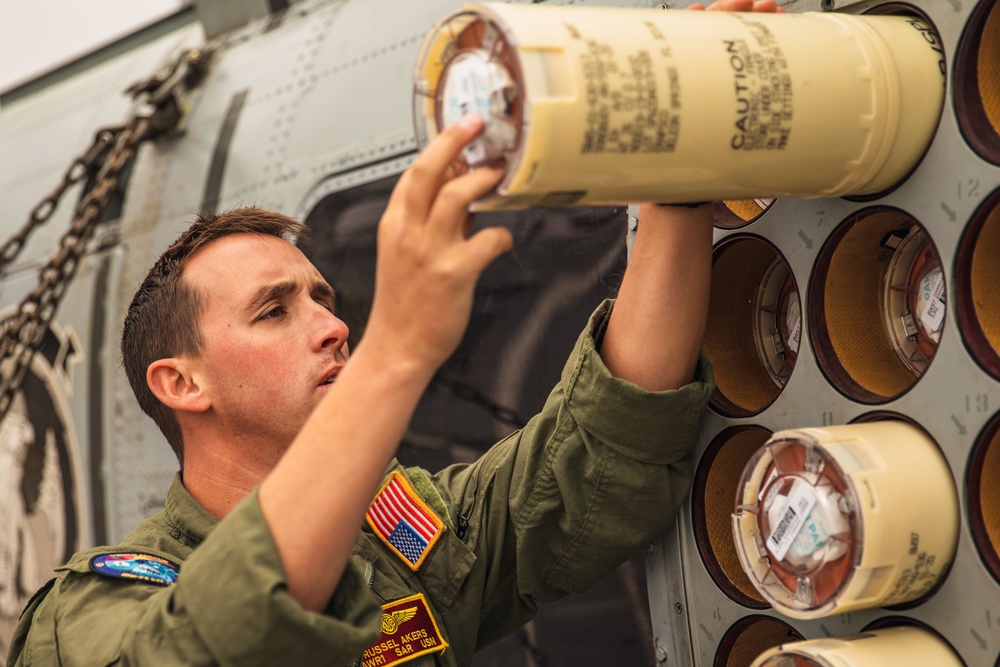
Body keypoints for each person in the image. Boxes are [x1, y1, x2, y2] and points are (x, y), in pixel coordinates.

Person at [6, 2, 782, 665]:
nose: (333, 327)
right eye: (275, 311)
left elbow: (598, 453)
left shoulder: (403, 534)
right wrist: (398, 349)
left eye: (323, 298)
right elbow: (213, 644)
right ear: (181, 383)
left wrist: (682, 180)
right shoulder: (86, 615)